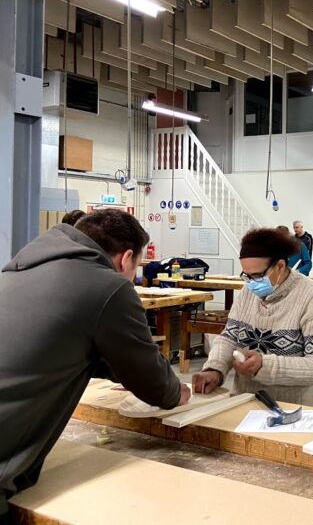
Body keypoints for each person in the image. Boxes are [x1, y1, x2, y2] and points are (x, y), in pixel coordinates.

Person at [0, 210, 188, 519]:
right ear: (126, 259)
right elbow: (155, 385)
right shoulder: (109, 286)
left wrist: (120, 370)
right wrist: (177, 391)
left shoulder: (21, 269)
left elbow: (63, 345)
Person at [193, 228, 313, 407]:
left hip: (293, 408)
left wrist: (265, 365)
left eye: (258, 275)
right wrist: (215, 368)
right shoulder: (247, 293)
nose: (252, 283)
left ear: (280, 266)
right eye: (247, 276)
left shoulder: (312, 296)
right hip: (244, 402)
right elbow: (229, 337)